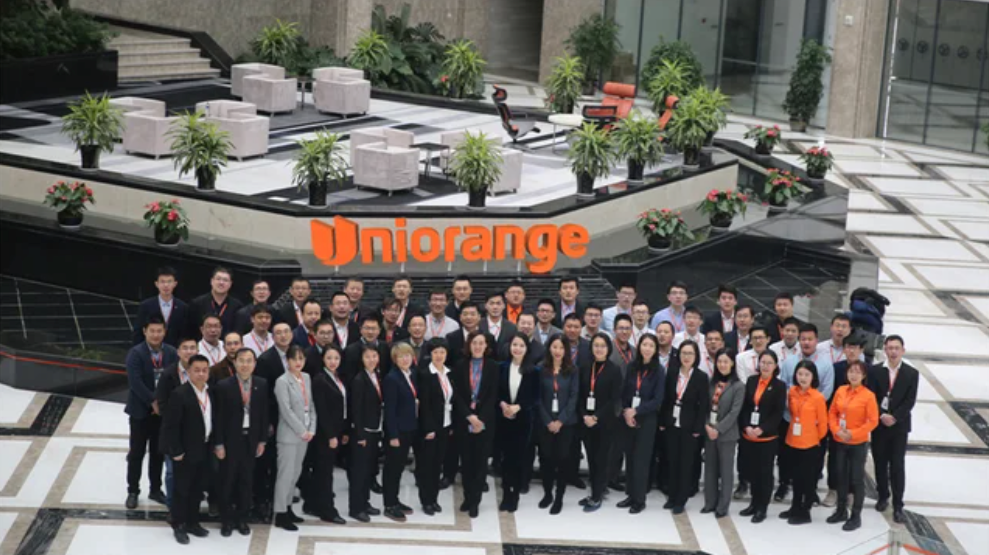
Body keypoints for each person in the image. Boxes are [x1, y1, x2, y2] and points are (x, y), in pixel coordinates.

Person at [212, 348, 269, 537]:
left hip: (250, 439)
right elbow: (218, 417)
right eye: (241, 360)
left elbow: (263, 414)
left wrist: (262, 440)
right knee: (227, 480)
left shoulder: (261, 384)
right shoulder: (224, 385)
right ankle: (227, 520)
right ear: (235, 363)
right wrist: (218, 443)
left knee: (246, 480)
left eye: (249, 360)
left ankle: (242, 518)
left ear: (255, 363)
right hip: (230, 440)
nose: (245, 364)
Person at [779, 323, 835, 504]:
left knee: (813, 459)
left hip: (812, 421)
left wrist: (809, 407)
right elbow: (784, 386)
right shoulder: (789, 362)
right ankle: (784, 484)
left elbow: (826, 390)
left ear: (817, 340)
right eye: (803, 339)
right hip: (790, 417)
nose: (806, 342)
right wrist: (793, 407)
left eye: (810, 339)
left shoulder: (826, 364)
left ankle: (811, 490)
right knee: (787, 456)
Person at [125, 315, 177, 509]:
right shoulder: (136, 353)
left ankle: (155, 489)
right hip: (140, 411)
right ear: (145, 331)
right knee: (136, 452)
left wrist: (162, 403)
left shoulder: (171, 352)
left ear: (164, 332)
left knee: (158, 452)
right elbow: (135, 382)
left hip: (162, 412)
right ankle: (133, 491)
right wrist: (152, 400)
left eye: (159, 331)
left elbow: (174, 379)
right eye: (152, 331)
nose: (156, 335)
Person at [160, 354, 212, 544]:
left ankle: (193, 522)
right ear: (188, 372)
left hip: (204, 448)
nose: (201, 374)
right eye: (196, 370)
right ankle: (179, 524)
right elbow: (171, 425)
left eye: (204, 370)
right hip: (185, 451)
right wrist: (176, 451)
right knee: (182, 489)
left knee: (197, 488)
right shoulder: (180, 394)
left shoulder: (210, 392)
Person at [868, 335, 918, 524]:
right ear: (885, 350)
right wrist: (881, 415)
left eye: (896, 348)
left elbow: (910, 401)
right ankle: (883, 495)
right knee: (880, 462)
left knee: (897, 465)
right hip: (879, 424)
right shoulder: (875, 371)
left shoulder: (911, 373)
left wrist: (895, 417)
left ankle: (898, 505)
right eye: (890, 348)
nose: (893, 352)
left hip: (899, 426)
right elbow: (871, 396)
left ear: (903, 350)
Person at [451, 331, 499, 518]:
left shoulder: (493, 367)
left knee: (480, 463)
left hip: (485, 421)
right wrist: (469, 416)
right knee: (466, 462)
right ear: (469, 345)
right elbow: (457, 395)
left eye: (481, 343)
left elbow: (493, 395)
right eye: (474, 343)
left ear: (486, 346)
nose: (478, 346)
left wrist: (480, 419)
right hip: (464, 420)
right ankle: (467, 497)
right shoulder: (460, 365)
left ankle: (475, 501)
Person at [827, 360, 879, 531]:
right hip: (840, 440)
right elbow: (832, 413)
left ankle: (856, 515)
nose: (854, 375)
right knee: (840, 476)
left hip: (857, 443)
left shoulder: (868, 396)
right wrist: (836, 430)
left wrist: (853, 433)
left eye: (857, 372)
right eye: (851, 371)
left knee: (856, 479)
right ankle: (841, 510)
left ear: (863, 375)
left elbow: (872, 421)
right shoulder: (841, 390)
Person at [659, 340, 709, 514]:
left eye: (690, 353)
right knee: (672, 462)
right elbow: (666, 400)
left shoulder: (701, 377)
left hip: (690, 427)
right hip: (672, 425)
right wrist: (663, 422)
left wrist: (698, 428)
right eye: (684, 353)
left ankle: (681, 499)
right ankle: (672, 496)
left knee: (686, 464)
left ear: (696, 356)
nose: (686, 357)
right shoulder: (672, 373)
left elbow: (703, 405)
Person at [617, 334, 665, 514]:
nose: (647, 348)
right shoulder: (632, 366)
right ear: (639, 347)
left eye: (651, 346)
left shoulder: (658, 370)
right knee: (629, 458)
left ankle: (639, 499)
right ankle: (630, 494)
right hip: (628, 418)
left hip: (646, 419)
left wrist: (636, 411)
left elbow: (657, 400)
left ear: (655, 349)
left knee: (641, 460)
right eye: (644, 344)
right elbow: (625, 392)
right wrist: (626, 411)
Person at [738, 351, 786, 523]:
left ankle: (762, 507)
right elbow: (745, 407)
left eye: (769, 363)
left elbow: (777, 413)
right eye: (763, 362)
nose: (765, 366)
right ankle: (753, 502)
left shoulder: (779, 386)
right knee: (752, 471)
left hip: (766, 438)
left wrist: (762, 429)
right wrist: (746, 426)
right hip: (749, 435)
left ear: (775, 366)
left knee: (764, 473)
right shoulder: (751, 381)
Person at [273, 346, 316, 531]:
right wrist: (301, 430)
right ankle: (280, 513)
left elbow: (311, 405)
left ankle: (289, 506)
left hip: (305, 435)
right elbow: (286, 410)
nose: (298, 362)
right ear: (288, 361)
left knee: (296, 473)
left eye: (301, 358)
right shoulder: (282, 381)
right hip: (289, 436)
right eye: (294, 359)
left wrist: (311, 429)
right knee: (285, 475)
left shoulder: (306, 378)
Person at [578, 333, 623, 512]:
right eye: (596, 345)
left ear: (608, 348)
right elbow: (580, 394)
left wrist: (596, 417)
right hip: (586, 422)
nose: (599, 349)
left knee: (601, 460)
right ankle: (593, 493)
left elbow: (614, 399)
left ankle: (597, 496)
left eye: (602, 346)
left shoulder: (614, 369)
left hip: (604, 422)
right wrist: (584, 415)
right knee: (591, 459)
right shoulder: (585, 367)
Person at [535, 335, 579, 515]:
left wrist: (560, 420)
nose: (558, 351)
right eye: (555, 347)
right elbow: (537, 397)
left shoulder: (572, 370)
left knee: (562, 459)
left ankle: (559, 496)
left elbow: (574, 397)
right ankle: (547, 493)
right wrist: (548, 421)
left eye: (561, 348)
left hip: (566, 423)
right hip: (545, 423)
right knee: (545, 458)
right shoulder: (540, 368)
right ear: (549, 348)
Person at [781, 360, 828, 525]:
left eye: (807, 374)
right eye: (800, 374)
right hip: (792, 440)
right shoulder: (792, 392)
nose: (803, 377)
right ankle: (794, 507)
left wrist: (815, 438)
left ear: (813, 377)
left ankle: (805, 511)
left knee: (807, 479)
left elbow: (823, 424)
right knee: (795, 477)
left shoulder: (817, 397)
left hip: (809, 444)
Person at [496, 333, 539, 512]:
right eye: (515, 345)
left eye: (521, 345)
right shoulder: (502, 367)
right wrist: (502, 404)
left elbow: (536, 397)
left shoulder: (533, 371)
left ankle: (515, 495)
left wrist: (519, 407)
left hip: (523, 421)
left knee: (519, 459)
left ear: (526, 349)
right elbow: (496, 392)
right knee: (505, 459)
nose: (517, 348)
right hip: (504, 419)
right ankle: (506, 494)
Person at [154, 337, 199, 507]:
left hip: (196, 432)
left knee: (194, 471)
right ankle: (173, 507)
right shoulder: (168, 374)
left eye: (192, 348)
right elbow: (162, 404)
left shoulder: (202, 373)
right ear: (178, 352)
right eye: (185, 348)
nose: (189, 351)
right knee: (172, 471)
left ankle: (190, 505)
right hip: (174, 431)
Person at [254, 322, 294, 509]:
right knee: (271, 461)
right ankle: (266, 499)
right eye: (278, 333)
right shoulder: (265, 359)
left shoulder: (297, 355)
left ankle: (284, 498)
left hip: (295, 417)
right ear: (273, 337)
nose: (283, 336)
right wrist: (268, 421)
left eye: (286, 332)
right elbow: (263, 394)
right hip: (275, 417)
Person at [702, 349, 744, 518]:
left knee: (726, 471)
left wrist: (718, 429)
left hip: (727, 434)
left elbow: (734, 413)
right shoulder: (711, 383)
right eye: (719, 361)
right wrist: (707, 426)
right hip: (709, 431)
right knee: (710, 469)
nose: (722, 365)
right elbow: (705, 407)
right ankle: (710, 502)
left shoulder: (738, 386)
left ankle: (722, 506)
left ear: (732, 363)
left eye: (726, 361)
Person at [311, 344, 348, 525]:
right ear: (323, 359)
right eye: (329, 358)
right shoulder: (320, 379)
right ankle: (327, 510)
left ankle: (315, 504)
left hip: (337, 430)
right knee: (325, 473)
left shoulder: (338, 377)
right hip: (325, 434)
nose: (333, 362)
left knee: (325, 470)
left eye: (336, 358)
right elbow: (322, 410)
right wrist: (331, 435)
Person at [417, 339, 455, 515]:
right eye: (435, 352)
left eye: (442, 352)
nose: (439, 356)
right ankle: (426, 500)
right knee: (427, 466)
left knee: (437, 464)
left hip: (446, 424)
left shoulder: (449, 373)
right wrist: (429, 429)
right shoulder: (425, 374)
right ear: (430, 354)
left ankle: (434, 499)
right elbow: (424, 405)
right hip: (431, 427)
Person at [382, 343, 419, 522]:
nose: (405, 359)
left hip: (409, 428)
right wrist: (393, 435)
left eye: (408, 356)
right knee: (392, 469)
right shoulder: (392, 378)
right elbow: (389, 410)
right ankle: (389, 504)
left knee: (399, 468)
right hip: (397, 432)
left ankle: (395, 500)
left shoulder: (410, 375)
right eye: (401, 356)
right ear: (395, 359)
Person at [348, 345, 385, 522]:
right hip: (363, 432)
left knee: (368, 470)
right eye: (367, 357)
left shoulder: (376, 375)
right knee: (359, 472)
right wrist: (360, 434)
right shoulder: (359, 379)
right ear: (362, 360)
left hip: (375, 429)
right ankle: (356, 508)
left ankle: (365, 502)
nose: (372, 360)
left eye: (374, 356)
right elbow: (356, 410)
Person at [133, 267, 189, 347]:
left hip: (174, 350)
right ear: (156, 284)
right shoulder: (146, 306)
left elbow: (185, 334)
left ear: (175, 284)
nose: (166, 285)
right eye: (162, 282)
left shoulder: (182, 307)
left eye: (169, 281)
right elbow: (138, 332)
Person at [190, 267, 243, 336]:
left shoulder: (237, 306)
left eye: (225, 280)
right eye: (218, 279)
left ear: (230, 284)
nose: (221, 283)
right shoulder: (197, 303)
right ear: (211, 281)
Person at [343, 316, 389, 385]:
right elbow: (349, 377)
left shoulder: (385, 347)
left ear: (379, 330)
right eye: (367, 328)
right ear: (361, 330)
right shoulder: (351, 350)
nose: (370, 332)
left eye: (374, 328)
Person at [444, 302, 490, 368]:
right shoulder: (451, 338)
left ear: (479, 317)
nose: (468, 317)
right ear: (460, 317)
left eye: (472, 314)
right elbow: (447, 363)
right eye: (465, 314)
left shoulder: (488, 337)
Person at [481, 291, 517, 356]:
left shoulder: (512, 328)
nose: (495, 307)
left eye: (498, 303)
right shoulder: (478, 325)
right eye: (491, 303)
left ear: (504, 306)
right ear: (485, 306)